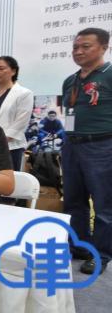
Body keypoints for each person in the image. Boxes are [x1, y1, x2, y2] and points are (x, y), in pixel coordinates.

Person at [61, 27, 112, 275]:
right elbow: (69, 113)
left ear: (104, 47)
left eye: (85, 46)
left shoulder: (109, 74)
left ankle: (101, 255)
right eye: (75, 47)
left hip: (103, 145)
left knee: (104, 204)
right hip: (72, 145)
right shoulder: (70, 81)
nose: (78, 51)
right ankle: (78, 246)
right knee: (73, 201)